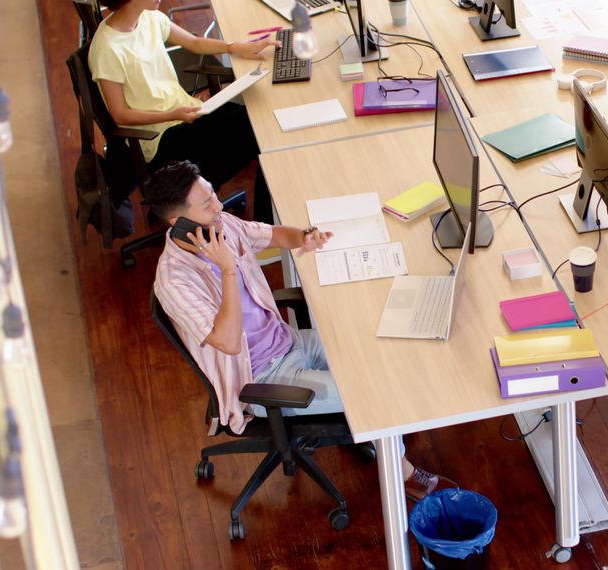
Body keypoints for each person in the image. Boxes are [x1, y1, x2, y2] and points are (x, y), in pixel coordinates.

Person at [147, 160, 443, 500]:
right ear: (178, 222)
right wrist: (228, 270)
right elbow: (228, 343)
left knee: (376, 351)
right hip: (262, 378)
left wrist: (305, 236)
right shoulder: (174, 281)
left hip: (289, 341)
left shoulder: (220, 225)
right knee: (370, 393)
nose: (219, 207)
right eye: (207, 205)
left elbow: (274, 234)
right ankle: (400, 473)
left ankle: (381, 435)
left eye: (214, 195)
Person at [88, 0, 277, 224]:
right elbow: (120, 114)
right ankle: (265, 225)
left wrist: (234, 47)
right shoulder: (106, 49)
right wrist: (174, 114)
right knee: (259, 134)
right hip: (159, 137)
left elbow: (195, 43)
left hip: (186, 113)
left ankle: (259, 222)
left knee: (258, 125)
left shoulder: (149, 18)